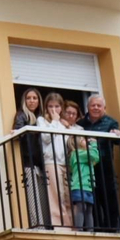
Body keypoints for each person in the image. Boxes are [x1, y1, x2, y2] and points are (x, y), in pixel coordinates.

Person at [14, 87, 51, 228]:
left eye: (34, 98)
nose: (31, 101)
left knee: (43, 196)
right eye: (28, 98)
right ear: (24, 100)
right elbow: (19, 132)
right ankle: (38, 225)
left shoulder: (41, 118)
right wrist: (19, 132)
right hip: (28, 161)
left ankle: (47, 224)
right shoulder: (22, 115)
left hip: (40, 161)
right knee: (33, 195)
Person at [37, 93, 74, 232]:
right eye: (50, 106)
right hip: (51, 161)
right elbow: (46, 138)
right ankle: (61, 228)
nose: (54, 109)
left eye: (57, 106)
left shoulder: (63, 123)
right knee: (56, 196)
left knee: (68, 196)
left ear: (62, 107)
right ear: (46, 107)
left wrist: (65, 126)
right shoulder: (42, 121)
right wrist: (53, 121)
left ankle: (72, 226)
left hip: (66, 162)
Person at [66, 109, 101, 231]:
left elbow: (95, 159)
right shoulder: (77, 154)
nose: (86, 141)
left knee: (89, 209)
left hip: (88, 186)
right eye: (83, 139)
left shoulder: (84, 154)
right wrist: (94, 145)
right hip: (79, 186)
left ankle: (90, 230)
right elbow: (95, 156)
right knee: (81, 208)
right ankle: (79, 230)